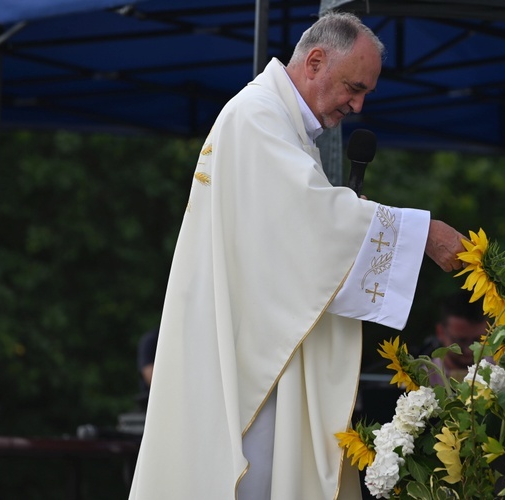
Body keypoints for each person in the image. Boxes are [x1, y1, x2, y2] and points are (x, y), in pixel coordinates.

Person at [128, 12, 465, 500]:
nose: (358, 104)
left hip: (257, 341)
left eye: (366, 91)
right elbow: (313, 221)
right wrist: (423, 232)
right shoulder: (258, 116)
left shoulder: (276, 122)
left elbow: (297, 232)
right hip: (252, 360)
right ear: (314, 61)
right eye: (354, 86)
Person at [417, 292, 490, 385]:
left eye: (478, 341)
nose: (469, 350)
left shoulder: (502, 373)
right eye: (460, 341)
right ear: (440, 332)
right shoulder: (421, 379)